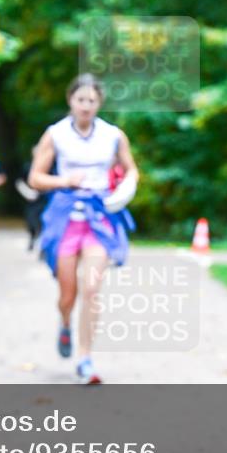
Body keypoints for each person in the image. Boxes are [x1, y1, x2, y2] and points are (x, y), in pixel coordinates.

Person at [29, 74, 138, 384]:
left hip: (99, 218)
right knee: (68, 294)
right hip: (65, 216)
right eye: (81, 100)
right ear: (70, 101)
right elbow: (36, 178)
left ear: (99, 102)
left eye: (92, 100)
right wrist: (65, 181)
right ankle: (65, 323)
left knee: (92, 290)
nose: (86, 106)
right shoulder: (56, 135)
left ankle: (85, 358)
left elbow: (131, 170)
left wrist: (126, 189)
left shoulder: (113, 136)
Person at [17, 145, 48, 252]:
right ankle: (32, 237)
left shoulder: (47, 167)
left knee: (43, 222)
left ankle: (42, 246)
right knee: (31, 221)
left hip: (44, 199)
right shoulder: (27, 167)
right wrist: (28, 192)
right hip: (31, 200)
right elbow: (19, 182)